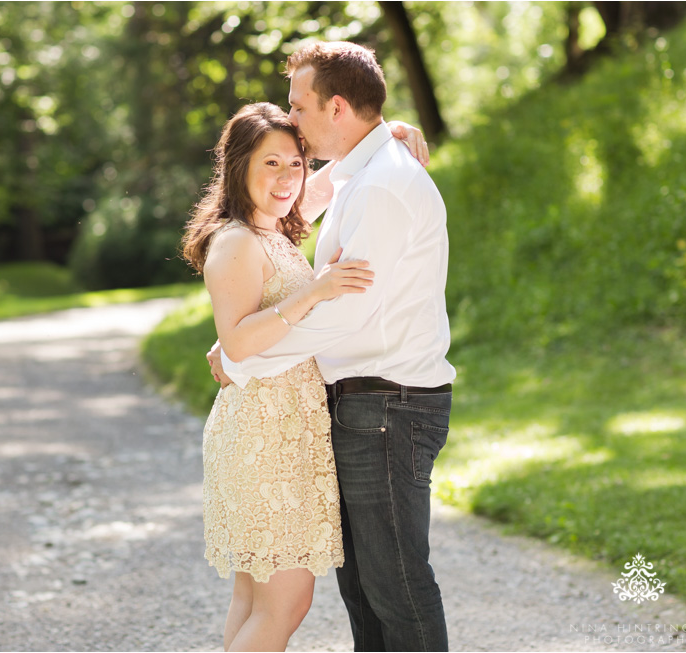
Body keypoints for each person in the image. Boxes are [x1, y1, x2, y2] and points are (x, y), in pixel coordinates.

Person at [211, 41, 455, 652]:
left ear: (337, 106)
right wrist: (385, 130)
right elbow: (298, 189)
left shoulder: (379, 185)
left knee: (391, 584)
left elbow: (345, 313)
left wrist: (243, 357)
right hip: (343, 410)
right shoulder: (356, 179)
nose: (292, 121)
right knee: (362, 587)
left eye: (298, 107)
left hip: (387, 405)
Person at [182, 102, 377, 651]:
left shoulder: (271, 234)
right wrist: (317, 289)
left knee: (254, 600)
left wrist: (392, 133)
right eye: (271, 164)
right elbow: (240, 340)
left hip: (282, 432)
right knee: (285, 602)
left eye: (296, 163)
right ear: (239, 166)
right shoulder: (238, 241)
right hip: (263, 440)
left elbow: (327, 181)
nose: (288, 178)